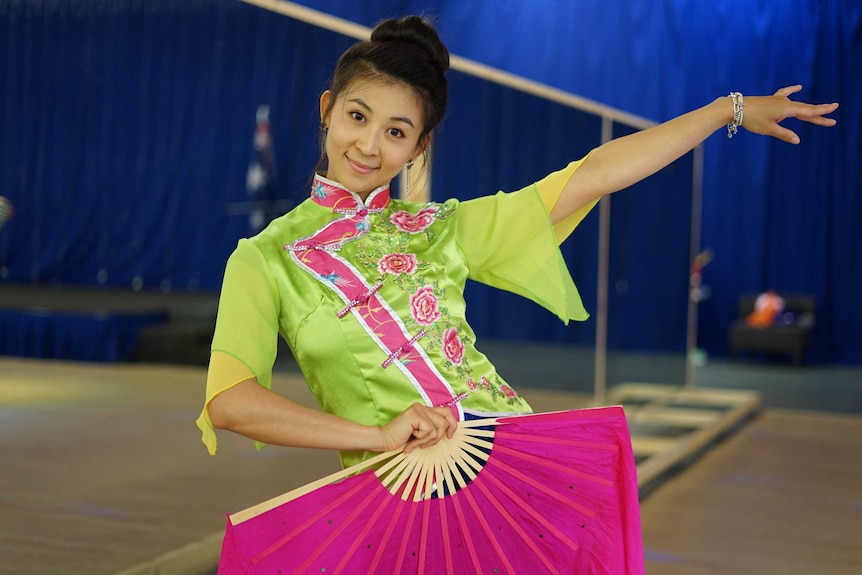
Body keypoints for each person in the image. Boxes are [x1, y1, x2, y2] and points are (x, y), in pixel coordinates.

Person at [196, 16, 838, 469]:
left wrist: (725, 111)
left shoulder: (442, 228)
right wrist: (373, 435)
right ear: (327, 108)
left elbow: (593, 174)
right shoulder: (264, 258)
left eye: (396, 132)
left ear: (419, 147)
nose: (368, 145)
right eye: (358, 117)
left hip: (514, 462)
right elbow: (229, 402)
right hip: (392, 492)